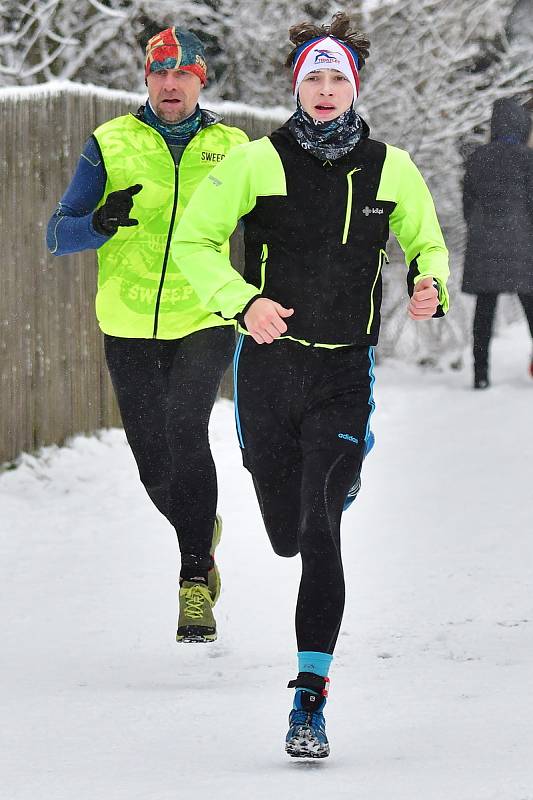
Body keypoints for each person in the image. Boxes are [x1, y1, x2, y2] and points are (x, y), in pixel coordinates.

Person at [172, 12, 449, 757]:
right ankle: (305, 497)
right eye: (312, 79)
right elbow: (194, 241)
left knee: (320, 526)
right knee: (283, 531)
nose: (325, 91)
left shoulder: (391, 167)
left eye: (337, 79)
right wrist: (242, 302)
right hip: (267, 370)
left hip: (340, 372)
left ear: (353, 87)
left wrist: (429, 284)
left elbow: (426, 242)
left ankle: (308, 700)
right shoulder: (255, 162)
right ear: (295, 87)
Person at [46, 25, 248, 643]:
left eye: (183, 74)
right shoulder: (110, 143)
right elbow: (59, 235)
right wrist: (101, 222)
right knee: (153, 465)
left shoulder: (232, 147)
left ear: (200, 81)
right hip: (129, 323)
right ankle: (199, 529)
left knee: (186, 427)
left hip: (205, 315)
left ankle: (193, 580)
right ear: (146, 77)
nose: (170, 83)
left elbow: (273, 228)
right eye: (160, 72)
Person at [462, 97, 533, 389]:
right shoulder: (528, 159)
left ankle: (481, 375)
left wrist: (480, 229)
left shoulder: (478, 157)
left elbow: (467, 202)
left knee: (484, 312)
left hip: (484, 242)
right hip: (523, 244)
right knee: (531, 307)